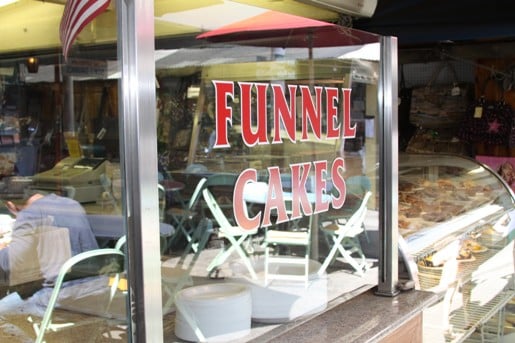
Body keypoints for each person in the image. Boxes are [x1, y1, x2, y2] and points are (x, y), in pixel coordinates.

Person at [0, 192, 98, 289]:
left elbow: (12, 262)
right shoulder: (72, 204)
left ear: (10, 205)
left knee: (4, 303)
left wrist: (2, 250)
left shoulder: (29, 213)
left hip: (62, 291)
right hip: (92, 284)